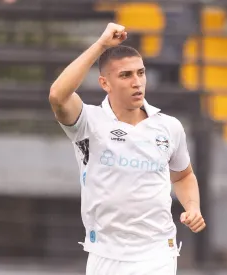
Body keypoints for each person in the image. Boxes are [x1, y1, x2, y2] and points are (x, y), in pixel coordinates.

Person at [48, 22, 206, 275]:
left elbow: (183, 175)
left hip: (157, 252)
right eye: (125, 75)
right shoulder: (88, 121)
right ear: (105, 83)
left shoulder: (169, 127)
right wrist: (100, 45)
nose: (137, 82)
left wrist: (193, 207)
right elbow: (57, 95)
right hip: (105, 254)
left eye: (140, 73)